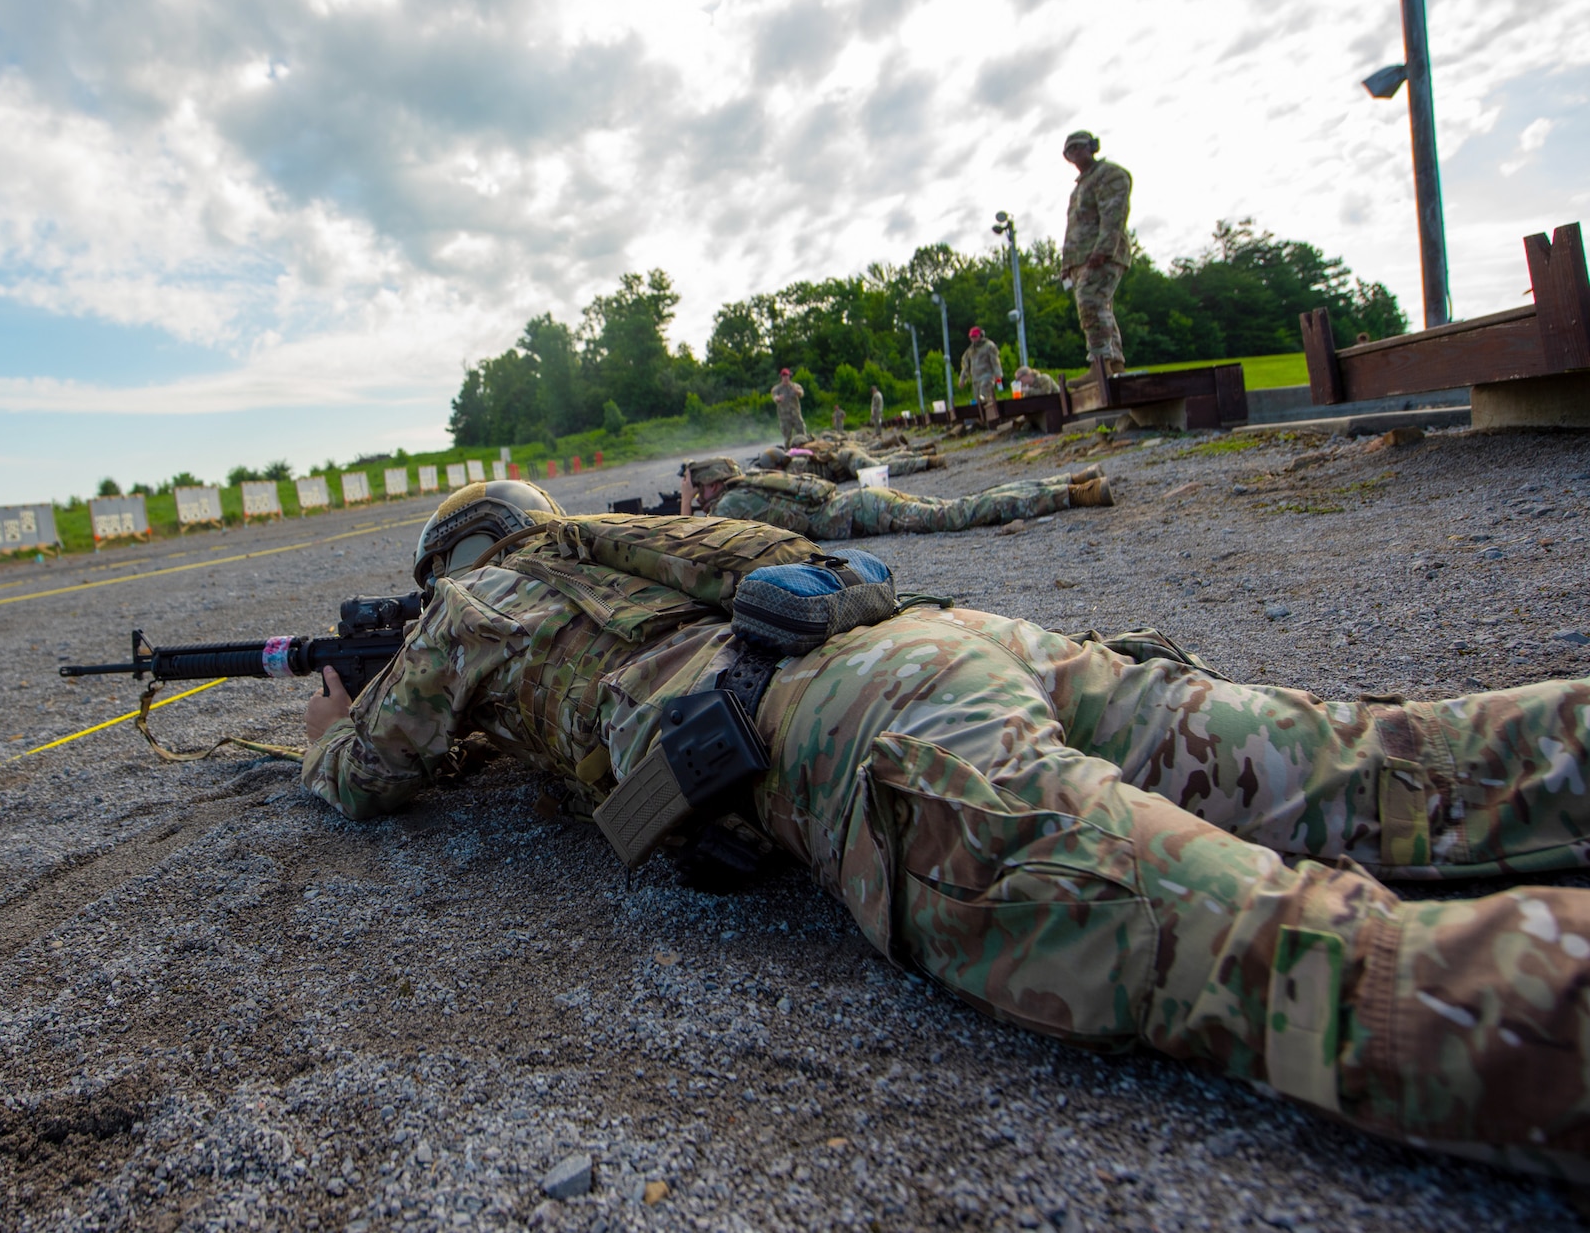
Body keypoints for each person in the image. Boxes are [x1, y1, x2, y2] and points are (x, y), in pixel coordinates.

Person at [301, 483, 1590, 1181]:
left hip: (878, 740)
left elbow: (368, 778)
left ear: (448, 566)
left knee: (1290, 955)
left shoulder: (469, 607)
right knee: (1368, 756)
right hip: (950, 643)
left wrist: (328, 718)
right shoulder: (633, 543)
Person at [681, 455, 1110, 539]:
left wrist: (685, 502)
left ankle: (1075, 494)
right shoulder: (749, 483)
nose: (699, 496)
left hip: (860, 508)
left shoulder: (731, 504)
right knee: (958, 503)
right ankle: (1070, 480)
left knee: (956, 515)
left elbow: (691, 538)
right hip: (860, 500)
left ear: (714, 484)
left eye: (700, 488)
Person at [1061, 129, 1133, 372]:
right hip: (1081, 259)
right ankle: (1114, 364)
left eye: (1079, 147)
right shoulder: (1080, 188)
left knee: (1091, 303)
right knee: (1100, 307)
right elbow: (1074, 229)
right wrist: (1067, 265)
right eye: (1070, 150)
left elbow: (1114, 215)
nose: (1075, 153)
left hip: (1100, 255)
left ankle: (1101, 365)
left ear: (1092, 147)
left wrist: (1103, 250)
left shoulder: (1109, 175)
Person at [750, 438, 942, 481]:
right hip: (845, 460)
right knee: (884, 459)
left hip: (845, 460)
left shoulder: (793, 469)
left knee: (884, 467)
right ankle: (922, 454)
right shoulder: (796, 459)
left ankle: (928, 462)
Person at [956, 327, 1002, 422]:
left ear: (980, 335)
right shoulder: (970, 351)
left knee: (984, 395)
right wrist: (962, 379)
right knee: (978, 401)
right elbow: (965, 366)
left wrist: (998, 374)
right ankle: (983, 419)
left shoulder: (989, 346)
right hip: (976, 379)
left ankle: (992, 418)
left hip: (987, 375)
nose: (973, 339)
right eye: (971, 337)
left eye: (975, 336)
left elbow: (995, 361)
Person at [771, 368, 808, 445]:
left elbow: (802, 393)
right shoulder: (777, 388)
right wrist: (778, 399)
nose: (785, 378)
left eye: (787, 376)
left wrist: (797, 392)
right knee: (787, 438)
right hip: (784, 417)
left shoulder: (795, 386)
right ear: (781, 377)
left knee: (802, 434)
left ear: (789, 376)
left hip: (796, 415)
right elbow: (774, 397)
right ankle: (788, 452)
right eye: (784, 376)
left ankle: (805, 449)